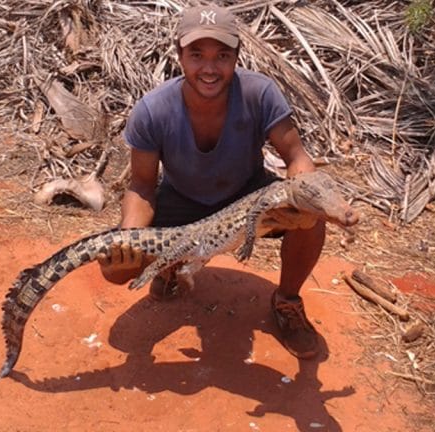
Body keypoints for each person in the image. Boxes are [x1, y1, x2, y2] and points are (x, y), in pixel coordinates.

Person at [97, 4, 327, 359]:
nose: (209, 68)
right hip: (183, 200)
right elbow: (142, 185)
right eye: (196, 54)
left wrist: (305, 198)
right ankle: (174, 266)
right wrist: (129, 238)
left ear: (236, 56)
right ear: (179, 55)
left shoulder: (259, 93)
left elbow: (297, 159)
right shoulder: (153, 110)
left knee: (311, 218)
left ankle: (287, 302)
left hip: (248, 196)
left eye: (222, 55)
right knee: (115, 268)